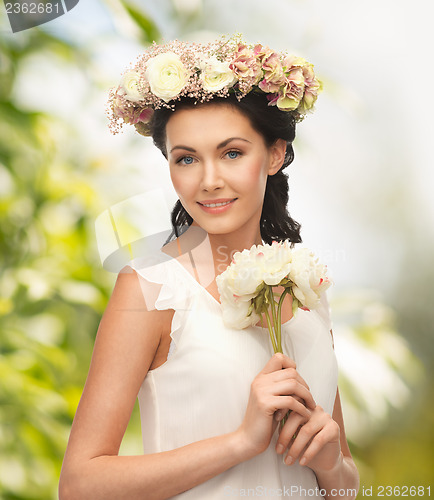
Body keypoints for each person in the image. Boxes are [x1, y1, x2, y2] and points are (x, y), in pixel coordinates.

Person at [59, 35, 359, 499]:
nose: (209, 180)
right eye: (186, 159)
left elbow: (347, 487)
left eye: (232, 153)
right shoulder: (149, 290)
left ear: (275, 154)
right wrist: (239, 443)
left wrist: (331, 466)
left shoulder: (308, 292)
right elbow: (80, 485)